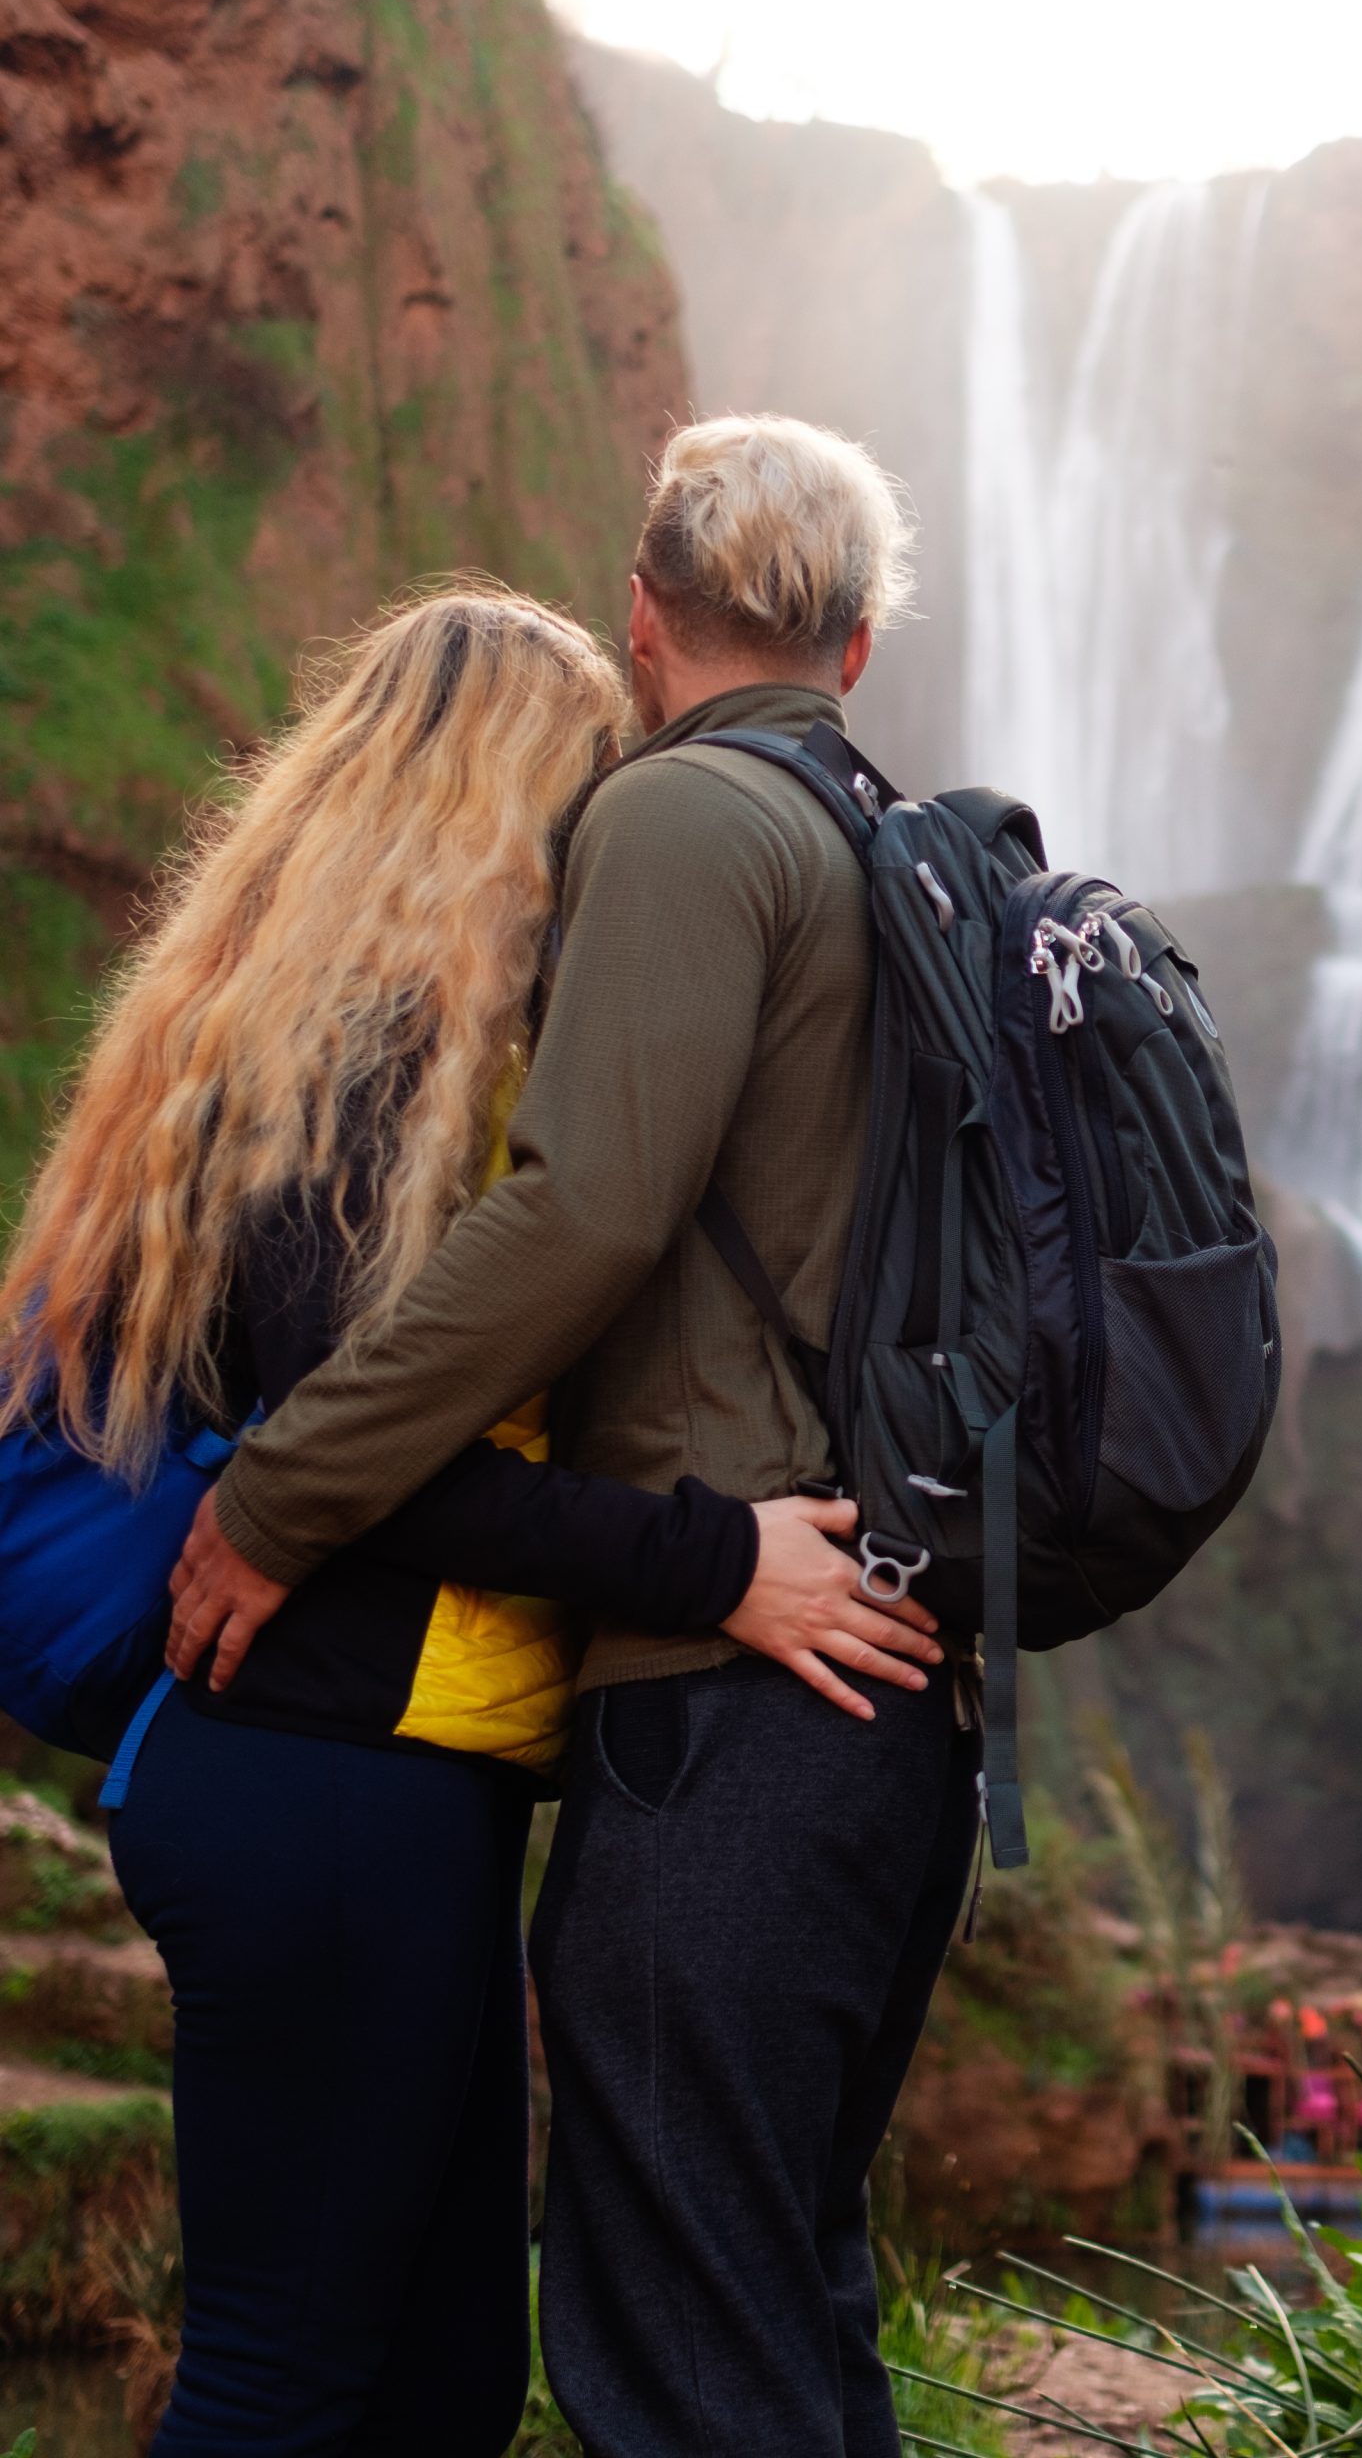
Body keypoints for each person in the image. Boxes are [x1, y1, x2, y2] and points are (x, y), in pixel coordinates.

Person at [0, 585, 910, 2456]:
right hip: (322, 1772)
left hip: (368, 1783)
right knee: (287, 2378)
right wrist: (723, 1564)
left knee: (429, 2388)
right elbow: (381, 1458)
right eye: (589, 795)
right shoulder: (365, 1083)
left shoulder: (295, 1052)